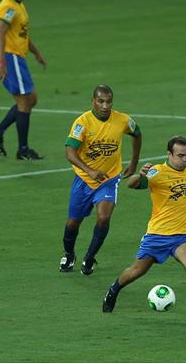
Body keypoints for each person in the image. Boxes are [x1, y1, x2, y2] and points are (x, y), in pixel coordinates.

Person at [102, 136, 186, 315]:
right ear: (169, 154)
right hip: (158, 234)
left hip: (184, 234)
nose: (185, 159)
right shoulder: (157, 173)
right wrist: (141, 175)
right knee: (137, 270)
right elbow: (132, 184)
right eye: (180, 155)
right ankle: (114, 290)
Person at [59, 85, 142, 275]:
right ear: (93, 101)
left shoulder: (122, 120)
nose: (105, 105)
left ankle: (89, 258)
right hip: (84, 180)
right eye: (101, 101)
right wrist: (90, 170)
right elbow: (69, 153)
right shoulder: (82, 123)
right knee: (73, 222)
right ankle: (69, 254)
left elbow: (137, 134)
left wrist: (134, 161)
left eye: (109, 101)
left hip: (109, 179)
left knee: (104, 217)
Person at [0, 0, 46, 160]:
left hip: (18, 59)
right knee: (24, 102)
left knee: (31, 99)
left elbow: (21, 34)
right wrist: (2, 61)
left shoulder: (18, 6)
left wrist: (36, 52)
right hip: (10, 59)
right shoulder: (8, 8)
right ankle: (23, 149)